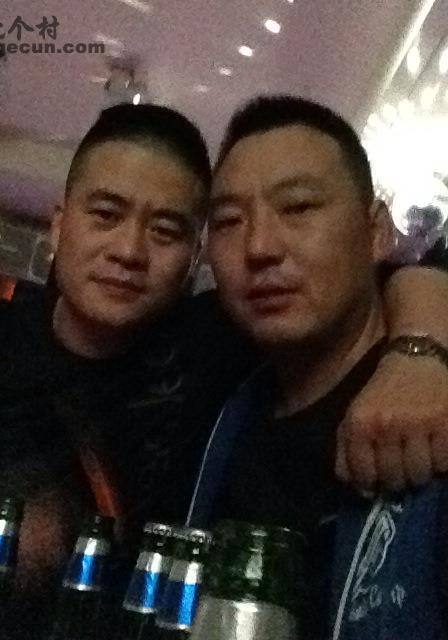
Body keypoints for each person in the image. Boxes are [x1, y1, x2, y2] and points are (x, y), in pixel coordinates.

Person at [0, 101, 447, 636]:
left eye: (166, 230)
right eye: (105, 215)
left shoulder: (212, 345)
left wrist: (419, 353)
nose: (128, 250)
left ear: (194, 256)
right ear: (59, 226)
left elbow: (403, 274)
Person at [185, 95, 448, 639]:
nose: (259, 247)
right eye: (229, 221)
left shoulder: (436, 409)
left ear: (377, 231)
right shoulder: (214, 384)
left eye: (299, 207)